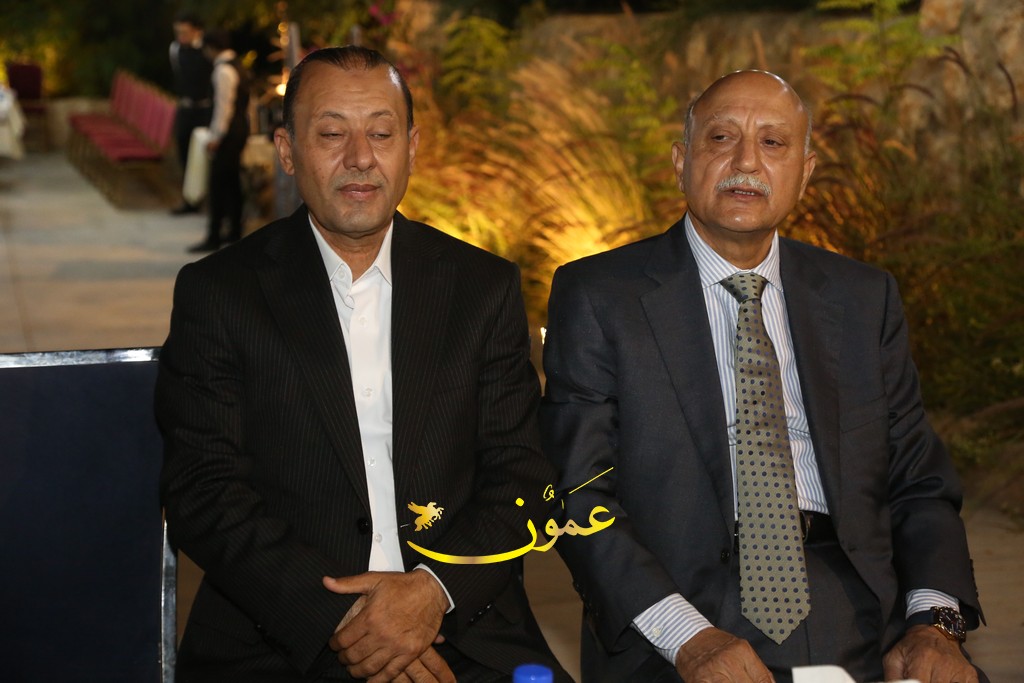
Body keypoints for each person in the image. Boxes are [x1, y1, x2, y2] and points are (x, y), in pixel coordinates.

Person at [539, 70, 986, 683]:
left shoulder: (862, 298)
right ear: (681, 162)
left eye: (773, 143)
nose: (746, 162)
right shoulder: (600, 295)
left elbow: (920, 483)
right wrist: (688, 638)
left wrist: (935, 625)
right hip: (680, 607)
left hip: (857, 599)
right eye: (721, 138)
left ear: (804, 171)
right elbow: (578, 492)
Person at [156, 45, 570, 682]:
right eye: (331, 134)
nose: (360, 158)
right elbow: (202, 489)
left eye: (381, 133)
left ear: (412, 147)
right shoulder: (221, 293)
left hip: (461, 625)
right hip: (281, 635)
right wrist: (350, 621)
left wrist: (431, 594)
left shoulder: (481, 288)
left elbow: (523, 473)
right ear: (287, 150)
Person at [187, 29, 250, 253]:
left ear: (210, 48)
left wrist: (216, 136)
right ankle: (234, 232)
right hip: (239, 130)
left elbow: (224, 108)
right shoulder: (237, 65)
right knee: (232, 183)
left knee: (218, 185)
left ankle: (214, 235)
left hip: (229, 135)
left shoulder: (223, 70)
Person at [168, 12, 213, 215]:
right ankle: (190, 199)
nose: (181, 36)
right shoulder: (175, 49)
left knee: (205, 154)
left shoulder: (207, 50)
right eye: (178, 32)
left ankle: (208, 199)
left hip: (204, 108)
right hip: (185, 108)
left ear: (197, 31)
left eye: (184, 32)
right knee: (183, 151)